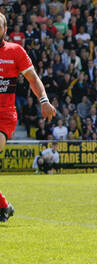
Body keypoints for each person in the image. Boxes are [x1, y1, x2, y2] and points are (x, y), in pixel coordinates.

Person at [0, 13, 56, 222]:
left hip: (4, 117)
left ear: (5, 29)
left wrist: (43, 101)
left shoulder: (15, 51)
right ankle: (4, 206)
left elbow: (33, 79)